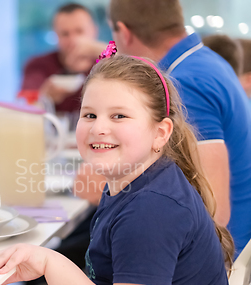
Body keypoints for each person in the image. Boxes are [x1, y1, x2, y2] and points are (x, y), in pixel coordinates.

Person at [0, 51, 233, 285]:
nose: (99, 127)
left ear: (160, 133)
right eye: (89, 114)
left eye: (119, 116)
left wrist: (49, 262)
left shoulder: (150, 210)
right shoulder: (137, 179)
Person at [104, 0, 251, 256]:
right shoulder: (207, 62)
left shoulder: (184, 83)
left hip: (217, 259)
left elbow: (214, 208)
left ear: (123, 32)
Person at [20, 3, 105, 128]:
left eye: (79, 31)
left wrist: (98, 49)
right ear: (56, 35)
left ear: (94, 31)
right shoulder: (38, 66)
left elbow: (136, 61)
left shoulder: (107, 64)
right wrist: (45, 98)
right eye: (65, 34)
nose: (73, 41)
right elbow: (23, 115)